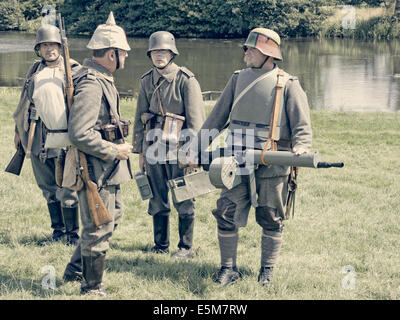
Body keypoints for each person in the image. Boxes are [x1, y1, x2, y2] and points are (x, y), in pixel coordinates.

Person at [186, 28, 312, 287]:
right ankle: (228, 269)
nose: (246, 53)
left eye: (252, 50)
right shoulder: (237, 79)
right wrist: (196, 149)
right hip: (235, 162)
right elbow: (216, 118)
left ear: (269, 54)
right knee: (226, 212)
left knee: (270, 215)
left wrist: (301, 146)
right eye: (246, 49)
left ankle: (266, 271)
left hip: (272, 162)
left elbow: (301, 125)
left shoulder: (288, 84)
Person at [62, 12, 133, 296]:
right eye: (124, 53)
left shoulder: (102, 77)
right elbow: (79, 133)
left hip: (106, 169)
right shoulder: (92, 82)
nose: (126, 58)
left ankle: (74, 270)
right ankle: (91, 288)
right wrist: (114, 150)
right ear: (112, 54)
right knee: (98, 227)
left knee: (112, 216)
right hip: (95, 169)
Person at [132, 31, 205, 259]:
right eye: (155, 52)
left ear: (172, 53)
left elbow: (196, 121)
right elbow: (139, 117)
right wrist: (140, 151)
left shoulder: (186, 80)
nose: (159, 56)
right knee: (157, 196)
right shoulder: (146, 80)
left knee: (183, 196)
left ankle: (185, 248)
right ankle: (160, 245)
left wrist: (194, 153)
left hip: (180, 148)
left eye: (163, 51)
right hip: (153, 146)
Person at [12, 24, 80, 246]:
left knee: (67, 185)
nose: (49, 49)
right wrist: (18, 132)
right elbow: (24, 102)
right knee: (47, 186)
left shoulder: (73, 69)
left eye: (52, 44)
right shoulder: (34, 70)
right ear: (38, 49)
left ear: (60, 46)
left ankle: (72, 235)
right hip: (35, 134)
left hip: (63, 134)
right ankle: (58, 231)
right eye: (44, 45)